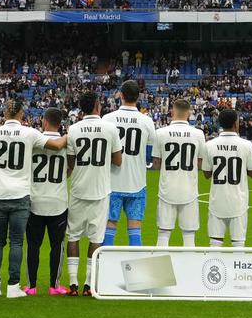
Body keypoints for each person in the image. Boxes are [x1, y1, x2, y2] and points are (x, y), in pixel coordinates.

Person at [0, 100, 67, 298]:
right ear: (21, 113)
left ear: (4, 113)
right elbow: (57, 145)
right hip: (20, 195)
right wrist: (72, 134)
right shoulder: (30, 133)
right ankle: (12, 287)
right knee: (17, 242)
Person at [65, 93, 122, 296]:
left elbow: (70, 162)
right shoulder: (110, 128)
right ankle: (89, 284)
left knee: (73, 236)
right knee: (96, 238)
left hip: (79, 188)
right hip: (100, 189)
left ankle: (73, 284)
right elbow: (118, 160)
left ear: (82, 108)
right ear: (98, 106)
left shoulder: (73, 129)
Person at [103, 81, 157, 247]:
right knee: (135, 231)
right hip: (137, 184)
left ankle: (106, 269)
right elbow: (149, 157)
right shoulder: (147, 122)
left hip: (112, 183)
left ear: (121, 95)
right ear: (138, 96)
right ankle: (135, 272)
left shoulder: (107, 119)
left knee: (109, 227)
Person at [27, 108, 71, 295]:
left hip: (35, 199)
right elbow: (70, 169)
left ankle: (32, 286)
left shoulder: (33, 141)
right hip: (58, 200)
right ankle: (54, 286)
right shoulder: (67, 143)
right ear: (60, 123)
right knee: (57, 245)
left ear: (44, 121)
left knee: (33, 245)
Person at [202, 109, 252, 247]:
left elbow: (206, 174)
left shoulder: (209, 145)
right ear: (236, 123)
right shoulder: (246, 145)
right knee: (238, 243)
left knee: (215, 243)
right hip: (238, 201)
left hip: (217, 201)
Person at [153, 98, 205, 247]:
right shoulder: (198, 134)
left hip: (167, 189)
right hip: (189, 190)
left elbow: (156, 164)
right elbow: (200, 163)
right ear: (189, 113)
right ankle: (189, 270)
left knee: (163, 234)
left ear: (172, 111)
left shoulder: (160, 132)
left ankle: (161, 270)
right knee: (189, 236)